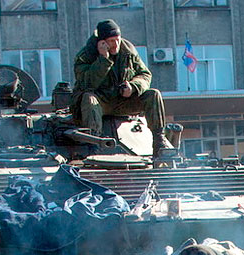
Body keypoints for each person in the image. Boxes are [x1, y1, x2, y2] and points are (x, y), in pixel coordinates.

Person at [72, 19, 172, 154]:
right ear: (102, 42)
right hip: (100, 103)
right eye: (111, 41)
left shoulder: (128, 51)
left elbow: (144, 74)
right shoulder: (86, 56)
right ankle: (94, 144)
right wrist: (103, 59)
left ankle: (159, 140)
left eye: (117, 39)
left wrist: (133, 87)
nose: (116, 44)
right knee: (89, 98)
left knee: (153, 94)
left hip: (124, 101)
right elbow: (87, 83)